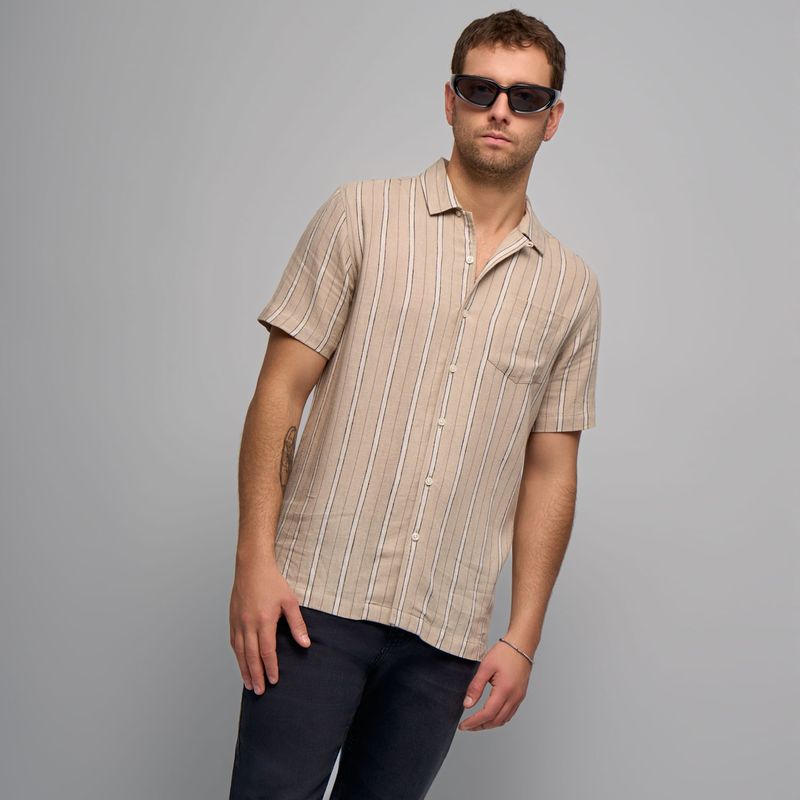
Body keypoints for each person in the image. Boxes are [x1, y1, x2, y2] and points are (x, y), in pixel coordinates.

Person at [228, 8, 602, 799]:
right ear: (450, 99)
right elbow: (279, 394)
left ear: (553, 118)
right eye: (481, 89)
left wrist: (523, 635)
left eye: (526, 97)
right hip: (312, 601)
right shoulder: (361, 214)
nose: (501, 110)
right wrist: (254, 560)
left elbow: (551, 471)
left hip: (446, 632)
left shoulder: (571, 288)